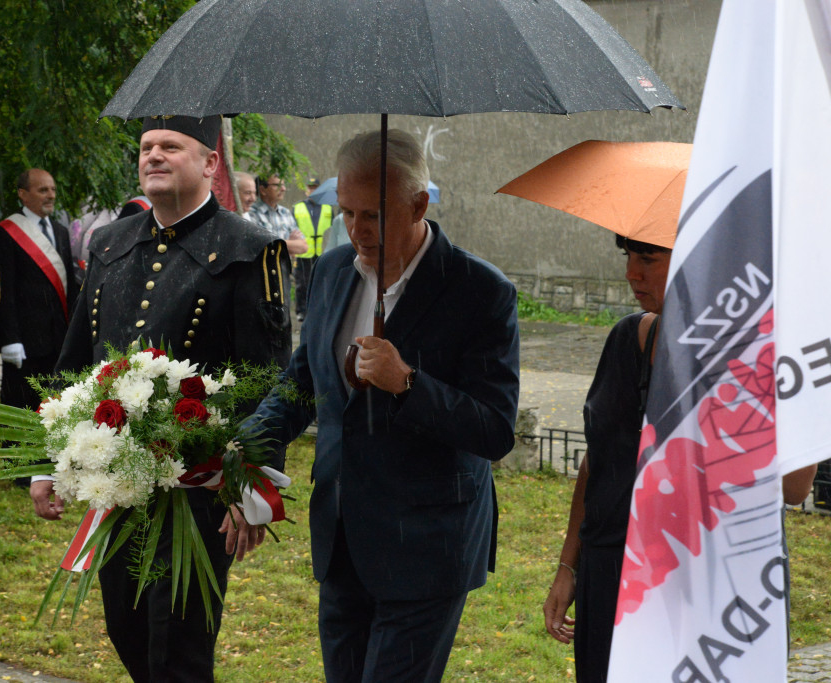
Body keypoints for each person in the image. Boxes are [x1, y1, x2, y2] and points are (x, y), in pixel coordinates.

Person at [249, 129, 520, 682]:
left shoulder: (480, 292)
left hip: (428, 547)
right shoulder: (331, 271)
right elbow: (305, 380)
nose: (356, 230)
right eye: (346, 212)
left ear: (420, 203)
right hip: (342, 538)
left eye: (372, 214)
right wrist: (245, 445)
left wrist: (408, 383)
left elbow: (494, 430)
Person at [32, 115, 293, 682]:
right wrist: (45, 461)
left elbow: (268, 378)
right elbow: (76, 356)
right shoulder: (110, 242)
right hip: (116, 482)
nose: (154, 155)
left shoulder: (251, 250)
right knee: (126, 629)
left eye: (171, 147)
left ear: (209, 164)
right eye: (147, 147)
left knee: (179, 646)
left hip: (197, 487)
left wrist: (252, 486)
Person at [541, 235, 818, 682]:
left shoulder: (761, 353)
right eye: (627, 256)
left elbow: (795, 487)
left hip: (713, 587)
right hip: (613, 576)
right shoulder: (626, 341)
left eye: (648, 258)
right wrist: (568, 566)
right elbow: (600, 462)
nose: (632, 272)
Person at [0, 168, 79, 485]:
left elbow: (68, 286)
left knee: (51, 403)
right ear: (23, 193)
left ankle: (47, 463)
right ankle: (18, 466)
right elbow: (5, 289)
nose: (50, 195)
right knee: (20, 402)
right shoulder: (6, 232)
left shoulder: (59, 229)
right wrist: (10, 338)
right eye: (42, 190)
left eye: (52, 189)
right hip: (24, 338)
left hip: (57, 336)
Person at [292, 175, 333, 322]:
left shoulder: (328, 207)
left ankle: (319, 309)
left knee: (321, 282)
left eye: (315, 187)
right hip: (303, 251)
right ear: (306, 190)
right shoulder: (297, 208)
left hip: (322, 251)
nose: (313, 190)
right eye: (310, 188)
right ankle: (301, 311)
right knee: (302, 283)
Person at [247, 173, 308, 255]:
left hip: (283, 267)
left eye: (283, 185)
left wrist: (275, 244)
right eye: (277, 185)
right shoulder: (251, 213)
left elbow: (303, 247)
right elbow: (260, 246)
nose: (283, 189)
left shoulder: (285, 212)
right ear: (262, 190)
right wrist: (290, 243)